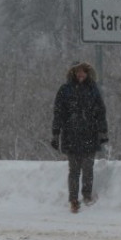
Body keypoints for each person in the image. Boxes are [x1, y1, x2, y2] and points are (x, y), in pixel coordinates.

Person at [50, 62, 108, 213]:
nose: (81, 75)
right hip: (71, 135)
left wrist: (103, 132)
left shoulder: (93, 90)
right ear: (73, 73)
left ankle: (87, 196)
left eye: (83, 72)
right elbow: (58, 113)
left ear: (87, 73)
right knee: (74, 170)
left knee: (88, 168)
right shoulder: (65, 90)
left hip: (90, 133)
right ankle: (74, 200)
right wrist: (56, 133)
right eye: (78, 72)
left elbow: (100, 112)